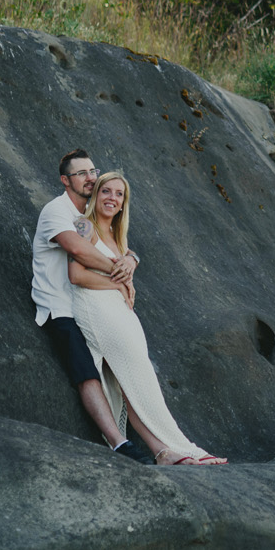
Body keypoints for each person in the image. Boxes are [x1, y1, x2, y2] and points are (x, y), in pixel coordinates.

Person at [69, 171, 227, 466]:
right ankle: (185, 447)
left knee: (131, 383)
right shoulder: (83, 225)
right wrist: (118, 284)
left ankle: (163, 452)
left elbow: (127, 254)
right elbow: (76, 275)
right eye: (106, 191)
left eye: (119, 194)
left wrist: (132, 259)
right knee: (139, 377)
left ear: (122, 204)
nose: (112, 198)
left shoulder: (119, 237)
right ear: (96, 194)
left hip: (119, 310)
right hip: (95, 308)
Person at [32, 149, 152, 464]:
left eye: (92, 171)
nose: (91, 178)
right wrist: (120, 273)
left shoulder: (90, 211)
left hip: (90, 302)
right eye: (82, 173)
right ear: (65, 180)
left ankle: (158, 441)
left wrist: (131, 259)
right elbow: (78, 250)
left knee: (127, 364)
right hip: (60, 306)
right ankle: (118, 443)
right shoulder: (55, 211)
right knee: (86, 370)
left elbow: (116, 239)